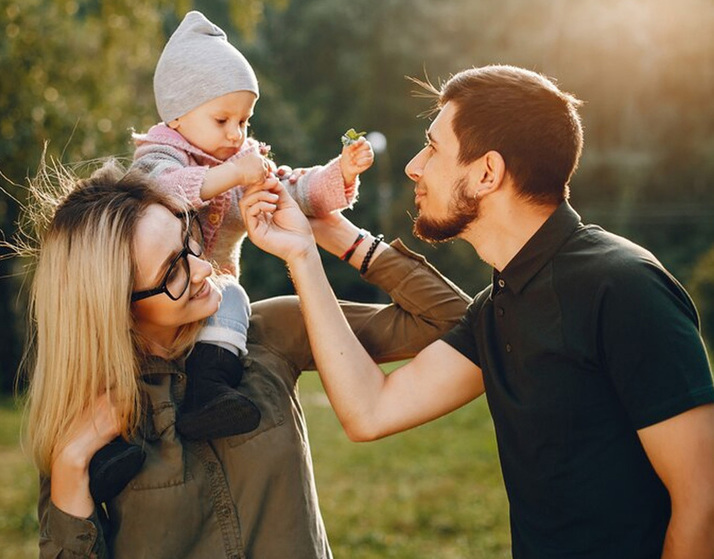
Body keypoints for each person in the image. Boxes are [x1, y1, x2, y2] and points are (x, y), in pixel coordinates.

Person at [240, 64, 714, 559]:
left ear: (487, 172)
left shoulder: (623, 286)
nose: (414, 166)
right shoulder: (500, 307)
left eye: (433, 147)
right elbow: (369, 411)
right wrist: (307, 249)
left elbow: (704, 503)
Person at [16, 159, 469, 557]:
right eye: (172, 270)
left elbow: (452, 322)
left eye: (188, 241)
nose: (201, 268)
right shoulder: (84, 425)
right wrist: (71, 468)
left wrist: (327, 237)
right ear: (115, 305)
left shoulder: (265, 333)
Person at [90, 9, 375, 501]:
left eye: (244, 120)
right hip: (148, 303)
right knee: (122, 374)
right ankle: (110, 450)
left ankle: (212, 391)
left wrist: (339, 173)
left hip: (204, 298)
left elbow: (297, 192)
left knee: (232, 295)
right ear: (177, 116)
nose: (235, 134)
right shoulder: (160, 156)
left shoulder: (238, 162)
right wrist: (234, 176)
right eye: (221, 119)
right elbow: (161, 189)